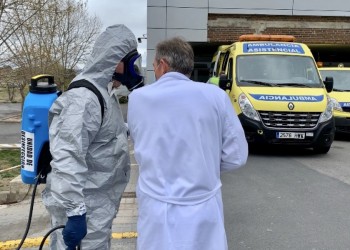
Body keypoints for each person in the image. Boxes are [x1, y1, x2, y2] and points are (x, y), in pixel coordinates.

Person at [127, 37, 249, 250]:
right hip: (203, 208)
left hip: (156, 209)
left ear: (162, 65)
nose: (154, 70)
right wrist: (205, 164)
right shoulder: (216, 96)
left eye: (154, 65)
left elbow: (140, 147)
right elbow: (237, 156)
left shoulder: (138, 98)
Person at [42, 24, 144, 250]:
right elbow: (67, 158)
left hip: (98, 208)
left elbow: (104, 135)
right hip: (83, 210)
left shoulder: (105, 93)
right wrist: (75, 212)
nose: (134, 70)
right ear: (115, 61)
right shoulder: (83, 99)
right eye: (131, 64)